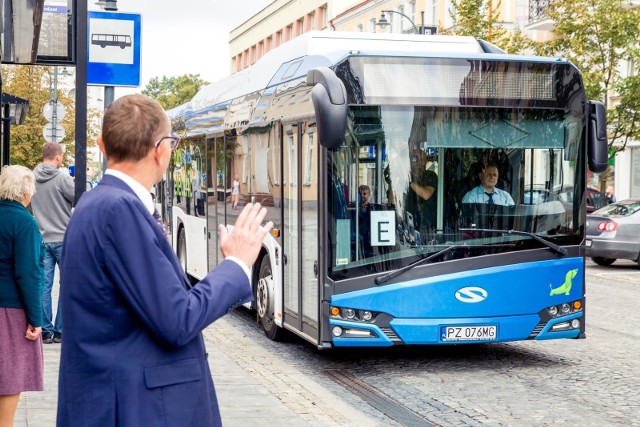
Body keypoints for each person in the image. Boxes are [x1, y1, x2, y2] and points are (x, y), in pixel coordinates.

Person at [57, 94, 273, 426]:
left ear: (102, 145)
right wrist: (237, 265)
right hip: (136, 408)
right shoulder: (119, 210)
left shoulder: (96, 203)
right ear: (162, 149)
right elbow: (177, 319)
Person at [0, 165, 45, 426]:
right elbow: (29, 274)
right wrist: (36, 319)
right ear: (25, 193)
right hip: (11, 310)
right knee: (9, 377)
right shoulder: (24, 223)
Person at [30, 142, 74, 345]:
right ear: (57, 157)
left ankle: (45, 331)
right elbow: (78, 195)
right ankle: (61, 331)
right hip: (64, 238)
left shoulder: (31, 177)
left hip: (41, 238)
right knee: (66, 285)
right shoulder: (62, 178)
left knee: (43, 286)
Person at [404, 149, 438, 241]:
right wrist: (394, 179)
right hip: (409, 226)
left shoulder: (431, 175)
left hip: (428, 228)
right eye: (414, 159)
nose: (418, 162)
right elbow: (392, 201)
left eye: (422, 159)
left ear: (425, 162)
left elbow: (426, 194)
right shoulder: (406, 176)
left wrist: (409, 181)